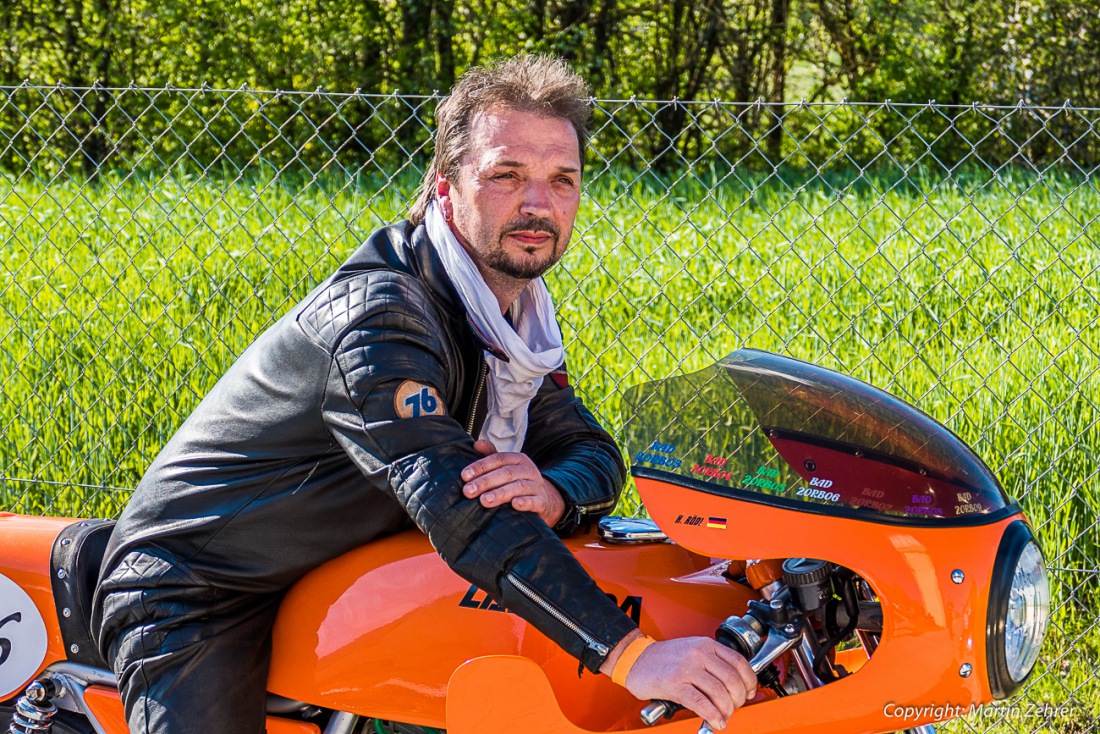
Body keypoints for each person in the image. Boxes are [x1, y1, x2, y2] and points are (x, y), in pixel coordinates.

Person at [91, 55, 756, 734]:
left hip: (340, 573)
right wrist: (631, 656)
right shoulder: (383, 319)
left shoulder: (514, 322)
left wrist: (555, 492)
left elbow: (589, 450)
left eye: (562, 180)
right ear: (444, 189)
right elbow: (460, 508)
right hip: (201, 590)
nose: (538, 203)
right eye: (506, 176)